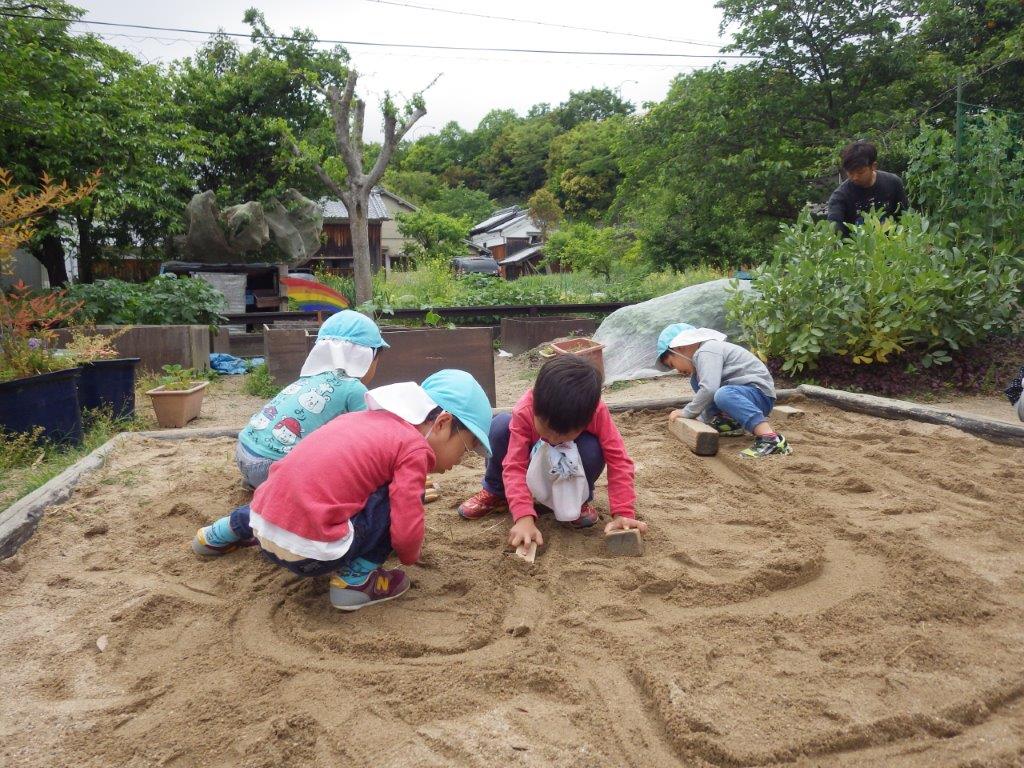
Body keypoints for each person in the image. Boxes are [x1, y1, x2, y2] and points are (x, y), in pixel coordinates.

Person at [191, 369, 493, 612]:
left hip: (261, 526)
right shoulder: (412, 447)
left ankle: (218, 534)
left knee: (292, 489)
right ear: (442, 423)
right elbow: (405, 522)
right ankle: (356, 582)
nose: (458, 462)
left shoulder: (359, 419)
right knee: (393, 500)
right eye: (465, 448)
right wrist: (409, 555)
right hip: (310, 555)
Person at [458, 355, 646, 550]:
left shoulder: (596, 412)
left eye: (564, 434)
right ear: (536, 408)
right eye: (547, 430)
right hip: (532, 461)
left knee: (593, 448)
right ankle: (497, 492)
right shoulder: (525, 409)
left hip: (568, 465)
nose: (554, 439)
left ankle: (577, 500)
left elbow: (619, 460)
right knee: (499, 427)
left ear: (587, 418)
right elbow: (514, 465)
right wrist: (523, 517)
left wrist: (623, 512)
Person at [235, 310, 388, 489]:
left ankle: (260, 485)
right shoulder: (353, 388)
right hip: (273, 467)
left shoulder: (310, 378)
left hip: (243, 453)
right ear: (367, 357)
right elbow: (371, 438)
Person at [656, 323, 790, 458]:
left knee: (722, 394)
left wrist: (687, 412)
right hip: (743, 394)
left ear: (680, 347)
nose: (677, 371)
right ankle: (730, 423)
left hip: (759, 394)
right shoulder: (702, 354)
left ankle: (771, 439)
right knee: (697, 381)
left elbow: (710, 389)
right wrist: (703, 418)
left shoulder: (707, 350)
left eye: (672, 364)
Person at [827, 140, 909, 236]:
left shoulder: (893, 183)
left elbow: (905, 218)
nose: (855, 177)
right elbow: (835, 229)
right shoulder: (840, 196)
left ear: (873, 166)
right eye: (850, 172)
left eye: (860, 172)